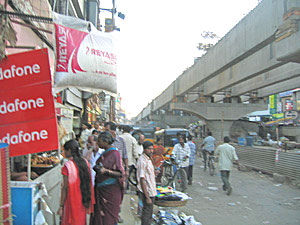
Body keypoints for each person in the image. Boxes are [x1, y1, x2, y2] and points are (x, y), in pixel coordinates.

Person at [90, 131, 125, 225]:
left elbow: (120, 173)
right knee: (99, 217)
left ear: (106, 141)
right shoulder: (104, 153)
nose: (98, 143)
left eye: (99, 141)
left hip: (110, 191)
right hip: (101, 190)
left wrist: (106, 171)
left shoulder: (115, 154)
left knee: (108, 218)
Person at [58, 139, 94, 225]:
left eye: (64, 150)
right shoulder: (85, 162)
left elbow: (65, 188)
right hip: (82, 200)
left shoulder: (68, 166)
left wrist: (61, 205)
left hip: (71, 201)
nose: (64, 153)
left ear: (69, 150)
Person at [136, 141, 157, 225]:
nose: (151, 151)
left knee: (149, 214)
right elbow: (142, 179)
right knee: (146, 214)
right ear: (144, 149)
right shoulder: (142, 161)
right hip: (146, 192)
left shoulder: (148, 159)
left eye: (152, 149)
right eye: (149, 149)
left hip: (151, 190)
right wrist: (147, 197)